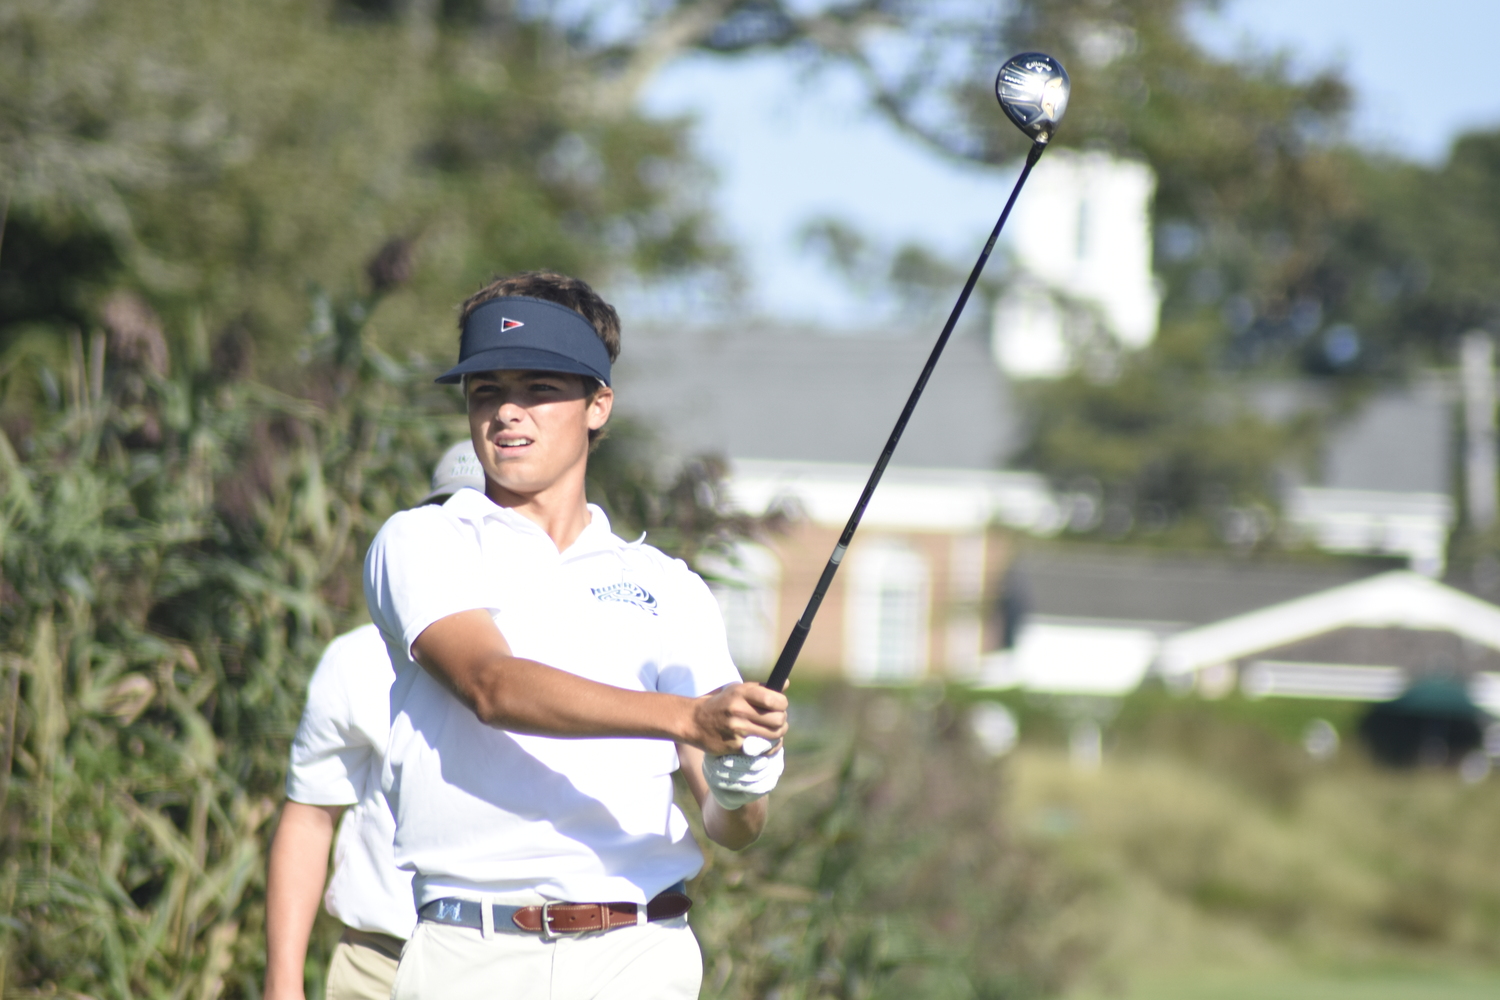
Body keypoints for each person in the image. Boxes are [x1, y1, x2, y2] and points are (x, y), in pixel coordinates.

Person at [363, 270, 788, 1000]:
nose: (507, 413)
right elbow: (491, 686)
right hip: (473, 955)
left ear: (598, 405)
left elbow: (732, 826)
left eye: (538, 389)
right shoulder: (424, 539)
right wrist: (689, 718)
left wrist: (740, 769)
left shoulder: (667, 584)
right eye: (486, 391)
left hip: (639, 956)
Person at [264, 441, 487, 1000]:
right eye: (447, 518)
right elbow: (310, 817)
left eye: (485, 520)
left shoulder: (562, 657)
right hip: (378, 964)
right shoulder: (355, 658)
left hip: (510, 964)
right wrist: (283, 981)